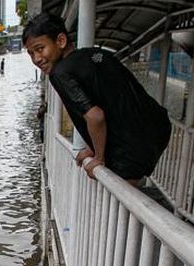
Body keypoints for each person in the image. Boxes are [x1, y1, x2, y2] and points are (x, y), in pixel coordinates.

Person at [24, 13, 171, 184]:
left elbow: (95, 116)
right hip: (159, 126)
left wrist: (99, 158)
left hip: (132, 145)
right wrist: (92, 147)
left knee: (120, 203)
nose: (36, 59)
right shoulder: (96, 54)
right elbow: (111, 101)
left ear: (61, 41)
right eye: (30, 54)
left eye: (40, 49)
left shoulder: (60, 73)